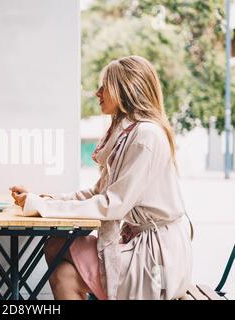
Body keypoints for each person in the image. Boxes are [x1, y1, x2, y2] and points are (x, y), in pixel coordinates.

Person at [10, 55, 193, 300]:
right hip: (144, 247)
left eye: (104, 86)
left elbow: (112, 205)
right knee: (62, 272)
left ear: (125, 90)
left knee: (56, 248)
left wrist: (43, 206)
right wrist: (45, 199)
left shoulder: (145, 136)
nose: (98, 93)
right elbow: (100, 193)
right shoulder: (132, 133)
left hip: (155, 259)